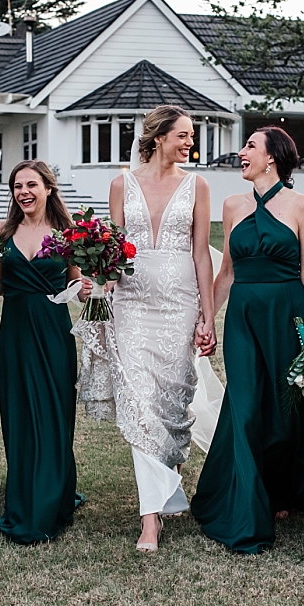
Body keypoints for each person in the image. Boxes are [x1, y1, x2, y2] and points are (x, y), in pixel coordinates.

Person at [190, 126, 304, 554]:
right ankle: (247, 510)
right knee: (245, 406)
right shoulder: (233, 205)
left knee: (285, 410)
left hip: (287, 314)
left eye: (250, 146)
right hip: (244, 316)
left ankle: (280, 488)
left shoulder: (302, 206)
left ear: (273, 158)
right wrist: (207, 319)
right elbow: (226, 272)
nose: (242, 152)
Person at [105, 105, 217, 553]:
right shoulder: (121, 184)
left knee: (170, 402)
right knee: (139, 402)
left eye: (191, 135)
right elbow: (113, 250)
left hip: (179, 305)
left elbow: (202, 253)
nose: (190, 142)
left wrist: (208, 315)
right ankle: (150, 520)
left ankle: (165, 486)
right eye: (183, 135)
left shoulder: (198, 185)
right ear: (158, 138)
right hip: (130, 305)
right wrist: (101, 283)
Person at [0, 160, 92, 544]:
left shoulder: (68, 234)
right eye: (17, 186)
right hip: (15, 335)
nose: (23, 192)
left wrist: (86, 289)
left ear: (48, 188)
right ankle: (24, 492)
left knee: (53, 415)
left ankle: (52, 497)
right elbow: (0, 282)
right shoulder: (2, 232)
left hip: (53, 334)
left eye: (31, 185)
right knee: (19, 415)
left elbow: (75, 284)